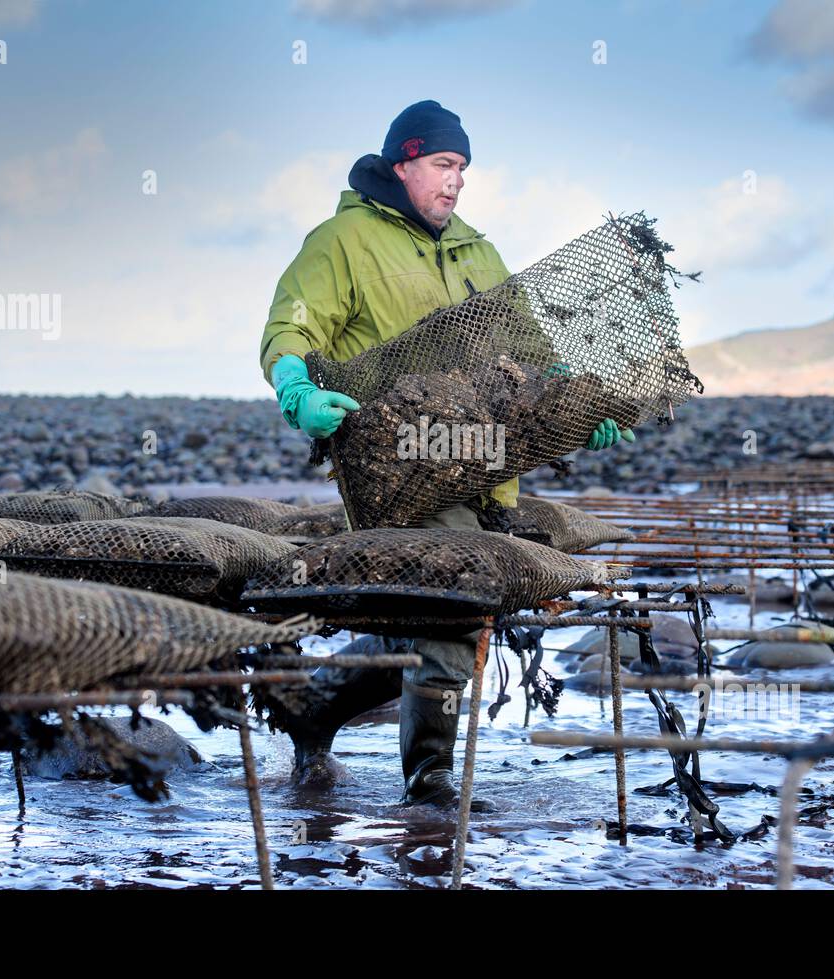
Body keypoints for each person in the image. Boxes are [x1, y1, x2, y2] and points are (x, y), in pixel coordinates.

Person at [258, 100, 632, 808]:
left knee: (444, 611)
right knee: (458, 601)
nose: (455, 181)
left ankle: (314, 702)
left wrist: (581, 409)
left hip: (485, 467)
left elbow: (530, 357)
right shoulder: (343, 241)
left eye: (462, 167)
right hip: (396, 469)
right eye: (442, 164)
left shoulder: (477, 251)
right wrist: (296, 388)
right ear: (403, 162)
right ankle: (430, 781)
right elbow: (288, 325)